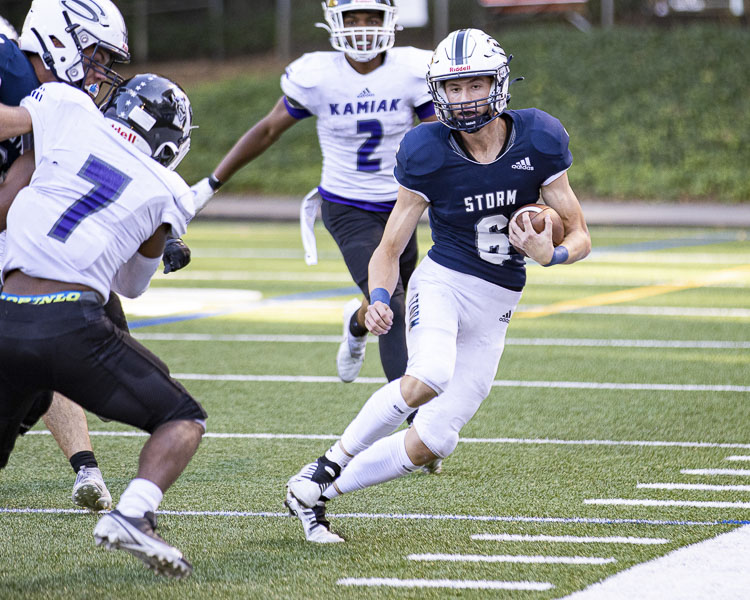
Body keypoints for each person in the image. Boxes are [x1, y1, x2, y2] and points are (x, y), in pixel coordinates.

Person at [283, 28, 592, 543]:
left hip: (498, 301)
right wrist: (380, 296)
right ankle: (328, 463)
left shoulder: (539, 137)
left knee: (434, 440)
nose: (465, 98)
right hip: (444, 280)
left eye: (475, 85)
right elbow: (388, 247)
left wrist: (552, 254)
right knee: (429, 372)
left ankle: (311, 494)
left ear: (498, 83)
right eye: (453, 88)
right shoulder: (426, 149)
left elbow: (580, 233)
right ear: (438, 92)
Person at [0, 69, 207, 578]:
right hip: (72, 323)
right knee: (182, 418)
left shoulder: (69, 116)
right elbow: (131, 286)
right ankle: (135, 514)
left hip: (4, 310)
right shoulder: (170, 190)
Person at [192, 0, 436, 390]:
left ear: (388, 21)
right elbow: (269, 129)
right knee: (390, 301)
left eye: (370, 19)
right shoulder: (319, 74)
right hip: (347, 206)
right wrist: (211, 183)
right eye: (351, 19)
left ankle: (356, 327)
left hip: (401, 205)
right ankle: (411, 417)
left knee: (390, 304)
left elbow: (442, 137)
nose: (361, 29)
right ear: (333, 22)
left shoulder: (410, 71)